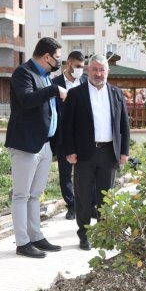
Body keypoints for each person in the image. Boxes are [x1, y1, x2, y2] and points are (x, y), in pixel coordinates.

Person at [5, 37, 68, 258]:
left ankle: (36, 236)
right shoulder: (23, 73)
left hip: (44, 143)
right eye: (57, 59)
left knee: (35, 195)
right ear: (47, 56)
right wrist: (54, 91)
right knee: (21, 195)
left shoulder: (45, 76)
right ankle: (23, 242)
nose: (59, 63)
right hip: (25, 144)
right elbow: (27, 100)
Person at [61, 54, 131, 250]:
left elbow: (124, 125)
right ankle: (84, 235)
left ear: (107, 72)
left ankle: (103, 234)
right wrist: (69, 151)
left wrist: (124, 151)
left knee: (106, 197)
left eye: (102, 70)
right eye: (95, 69)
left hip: (109, 153)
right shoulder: (76, 94)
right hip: (84, 154)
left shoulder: (117, 94)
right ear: (88, 70)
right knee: (83, 197)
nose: (98, 74)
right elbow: (67, 126)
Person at [52, 50, 87, 220]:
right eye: (78, 66)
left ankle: (85, 204)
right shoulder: (55, 83)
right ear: (68, 64)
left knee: (85, 173)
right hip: (63, 136)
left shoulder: (86, 82)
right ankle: (71, 205)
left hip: (83, 136)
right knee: (65, 174)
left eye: (82, 67)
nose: (81, 70)